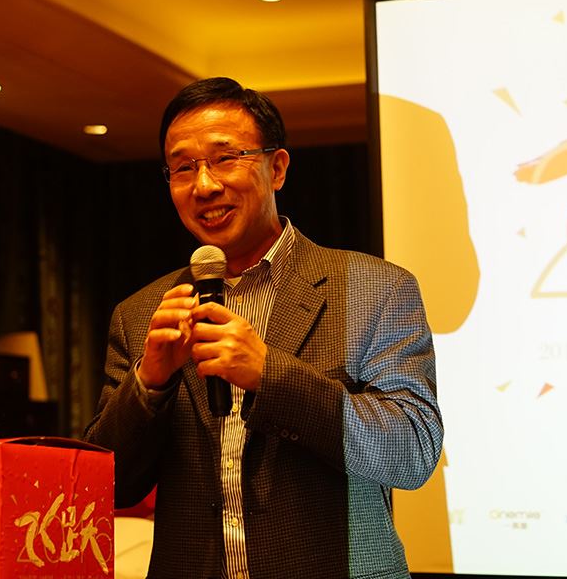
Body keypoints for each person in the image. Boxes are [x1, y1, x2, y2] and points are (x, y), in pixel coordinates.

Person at [83, 77, 443, 578]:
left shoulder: (375, 288)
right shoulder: (141, 313)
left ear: (277, 168)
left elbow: (412, 451)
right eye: (183, 167)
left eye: (225, 158)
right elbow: (108, 486)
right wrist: (150, 382)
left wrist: (271, 374)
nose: (204, 185)